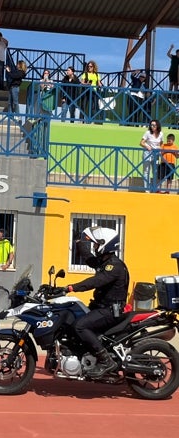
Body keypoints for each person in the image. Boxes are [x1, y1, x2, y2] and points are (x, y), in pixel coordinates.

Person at [65, 226, 130, 378]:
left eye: (95, 244)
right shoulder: (104, 261)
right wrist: (79, 242)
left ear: (104, 244)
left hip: (109, 310)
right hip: (102, 307)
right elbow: (89, 259)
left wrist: (70, 288)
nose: (94, 247)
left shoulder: (114, 265)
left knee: (80, 326)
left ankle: (105, 360)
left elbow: (96, 281)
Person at [140, 119, 163, 192]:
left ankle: (154, 188)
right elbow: (141, 142)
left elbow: (161, 143)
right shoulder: (147, 133)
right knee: (146, 171)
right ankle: (147, 189)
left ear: (157, 126)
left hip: (156, 154)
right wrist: (147, 146)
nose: (152, 126)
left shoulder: (161, 134)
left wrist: (160, 150)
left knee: (155, 171)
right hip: (148, 153)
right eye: (151, 125)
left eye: (154, 125)